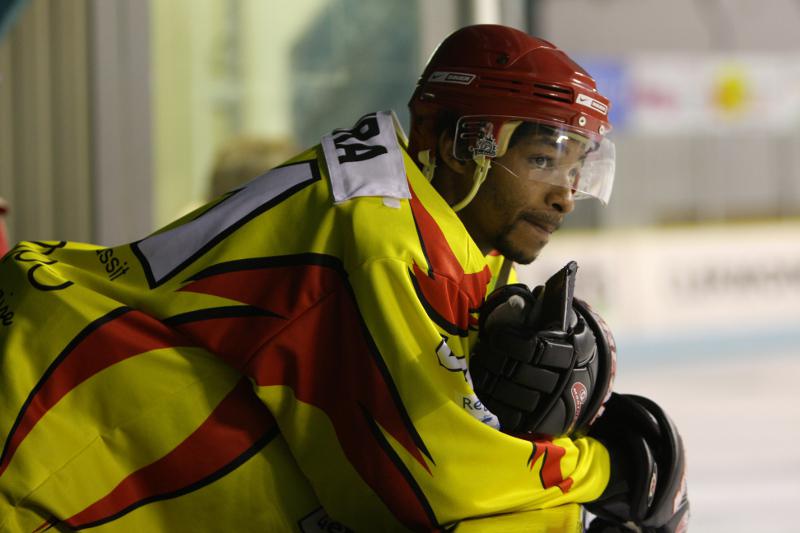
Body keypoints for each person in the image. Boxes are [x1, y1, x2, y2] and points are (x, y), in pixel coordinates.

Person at [0, 25, 688, 532]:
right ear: (458, 144)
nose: (566, 194)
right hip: (46, 464)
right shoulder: (385, 239)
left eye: (576, 168)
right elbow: (436, 485)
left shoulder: (439, 222)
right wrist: (606, 470)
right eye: (542, 160)